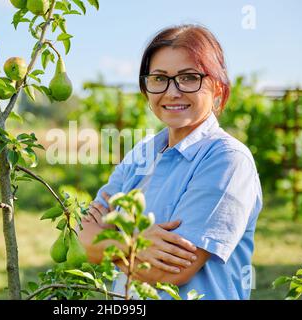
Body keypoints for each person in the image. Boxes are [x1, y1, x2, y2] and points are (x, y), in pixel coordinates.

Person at [78, 24, 263, 300]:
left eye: (189, 78)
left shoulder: (227, 160)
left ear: (217, 85)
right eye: (159, 78)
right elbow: (85, 236)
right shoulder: (143, 151)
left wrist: (113, 240)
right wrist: (136, 245)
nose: (172, 92)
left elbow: (174, 271)